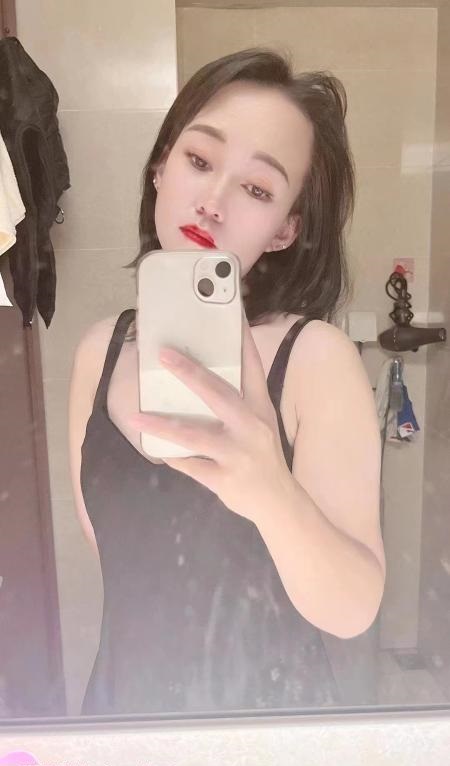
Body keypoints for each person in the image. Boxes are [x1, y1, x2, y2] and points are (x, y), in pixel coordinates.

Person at [69, 48, 385, 715]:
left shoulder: (316, 358)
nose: (212, 202)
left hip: (271, 732)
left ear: (286, 229)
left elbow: (353, 609)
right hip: (124, 721)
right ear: (160, 167)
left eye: (258, 189)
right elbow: (121, 563)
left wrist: (271, 490)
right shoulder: (98, 353)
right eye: (199, 160)